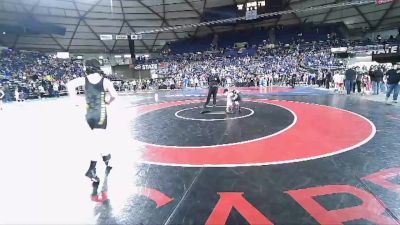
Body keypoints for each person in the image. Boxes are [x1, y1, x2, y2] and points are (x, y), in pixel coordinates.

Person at [66, 59, 118, 195]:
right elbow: (114, 95)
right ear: (98, 68)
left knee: (98, 138)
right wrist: (108, 102)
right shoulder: (105, 81)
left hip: (88, 114)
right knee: (97, 140)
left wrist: (75, 101)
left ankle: (107, 158)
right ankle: (92, 169)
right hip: (100, 114)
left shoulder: (84, 80)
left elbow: (69, 85)